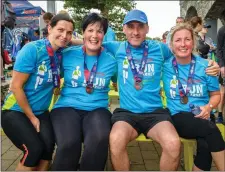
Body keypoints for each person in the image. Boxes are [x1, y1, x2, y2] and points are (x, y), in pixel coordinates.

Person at [101, 9, 220, 171]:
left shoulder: (159, 48)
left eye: (140, 27)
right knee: (115, 140)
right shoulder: (117, 48)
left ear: (147, 29)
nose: (135, 32)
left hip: (156, 113)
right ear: (124, 29)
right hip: (127, 113)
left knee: (173, 144)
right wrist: (59, 41)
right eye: (131, 27)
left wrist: (211, 64)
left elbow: (183, 51)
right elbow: (89, 41)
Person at [1, 13, 74, 171]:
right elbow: (15, 86)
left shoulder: (62, 54)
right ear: (49, 28)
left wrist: (66, 38)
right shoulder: (32, 49)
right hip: (15, 111)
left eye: (69, 32)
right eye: (60, 29)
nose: (64, 35)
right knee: (33, 150)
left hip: (41, 112)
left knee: (47, 149)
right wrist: (31, 117)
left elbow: (86, 43)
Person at [50, 12, 117, 171]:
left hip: (97, 109)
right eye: (90, 30)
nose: (94, 35)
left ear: (104, 35)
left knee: (99, 140)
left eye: (99, 31)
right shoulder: (66, 55)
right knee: (68, 143)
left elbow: (122, 82)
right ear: (83, 33)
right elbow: (47, 73)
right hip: (66, 107)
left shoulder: (111, 61)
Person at [163, 23, 225, 171]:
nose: (183, 44)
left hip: (203, 115)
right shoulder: (164, 66)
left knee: (205, 144)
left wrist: (208, 107)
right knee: (211, 130)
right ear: (171, 44)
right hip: (178, 116)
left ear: (193, 42)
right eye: (178, 40)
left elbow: (216, 95)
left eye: (187, 39)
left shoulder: (206, 66)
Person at [216, 11, 225, 123]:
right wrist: (222, 66)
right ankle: (219, 115)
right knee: (222, 92)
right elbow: (219, 49)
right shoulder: (222, 30)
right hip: (224, 66)